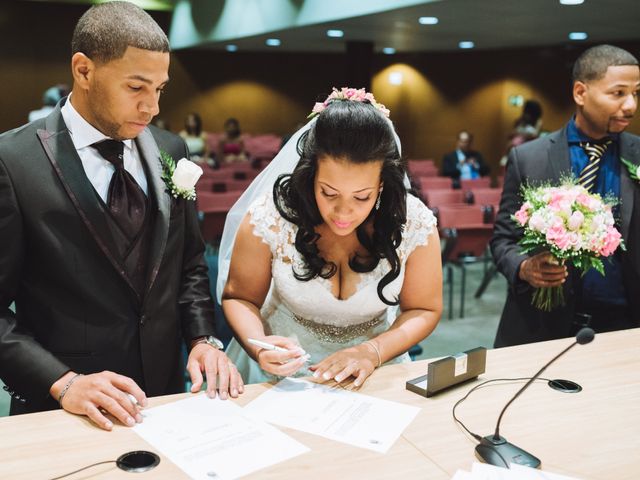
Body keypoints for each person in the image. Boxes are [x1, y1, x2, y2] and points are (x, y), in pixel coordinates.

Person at [0, 1, 242, 429]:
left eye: (160, 89)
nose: (152, 106)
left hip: (165, 397)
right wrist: (64, 382)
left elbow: (187, 264)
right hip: (65, 409)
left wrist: (203, 338)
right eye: (136, 87)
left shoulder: (171, 150)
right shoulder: (11, 161)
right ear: (84, 70)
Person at [218, 91, 442, 386]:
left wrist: (372, 351)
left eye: (362, 197)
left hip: (374, 371)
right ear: (309, 176)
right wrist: (260, 345)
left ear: (383, 185)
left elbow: (423, 308)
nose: (343, 213)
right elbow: (239, 297)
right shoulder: (272, 216)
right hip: (278, 375)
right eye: (328, 192)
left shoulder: (412, 221)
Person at [491, 44, 640, 348]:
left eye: (636, 93)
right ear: (580, 93)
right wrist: (524, 267)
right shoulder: (528, 157)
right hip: (542, 324)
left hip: (624, 325)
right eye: (618, 93)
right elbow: (503, 240)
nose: (631, 106)